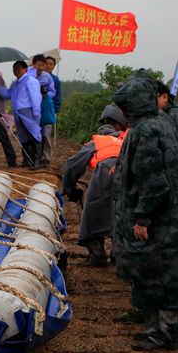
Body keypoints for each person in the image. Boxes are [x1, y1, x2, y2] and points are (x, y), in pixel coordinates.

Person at [111, 72, 178, 351]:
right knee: (159, 270)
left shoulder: (147, 129)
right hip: (166, 214)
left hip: (158, 218)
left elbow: (153, 182)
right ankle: (154, 324)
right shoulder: (158, 123)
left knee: (156, 271)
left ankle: (162, 332)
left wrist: (142, 217)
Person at [61, 104, 128, 267]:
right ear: (120, 125)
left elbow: (71, 166)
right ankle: (118, 256)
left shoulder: (96, 141)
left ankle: (97, 255)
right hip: (127, 177)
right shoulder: (126, 140)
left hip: (105, 177)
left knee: (93, 212)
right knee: (121, 213)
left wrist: (70, 190)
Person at [0, 61, 42, 168]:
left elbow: (35, 97)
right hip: (18, 112)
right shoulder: (15, 83)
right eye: (14, 69)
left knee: (33, 135)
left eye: (18, 68)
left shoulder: (30, 81)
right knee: (23, 137)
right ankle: (27, 160)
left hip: (28, 111)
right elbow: (7, 94)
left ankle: (37, 161)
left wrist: (36, 112)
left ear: (25, 69)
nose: (16, 71)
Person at [29, 54, 56, 165]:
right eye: (39, 65)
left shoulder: (47, 77)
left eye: (43, 66)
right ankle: (32, 158)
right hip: (30, 109)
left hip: (43, 108)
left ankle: (44, 158)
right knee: (31, 133)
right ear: (33, 64)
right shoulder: (27, 75)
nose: (41, 68)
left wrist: (45, 94)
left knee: (44, 133)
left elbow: (53, 91)